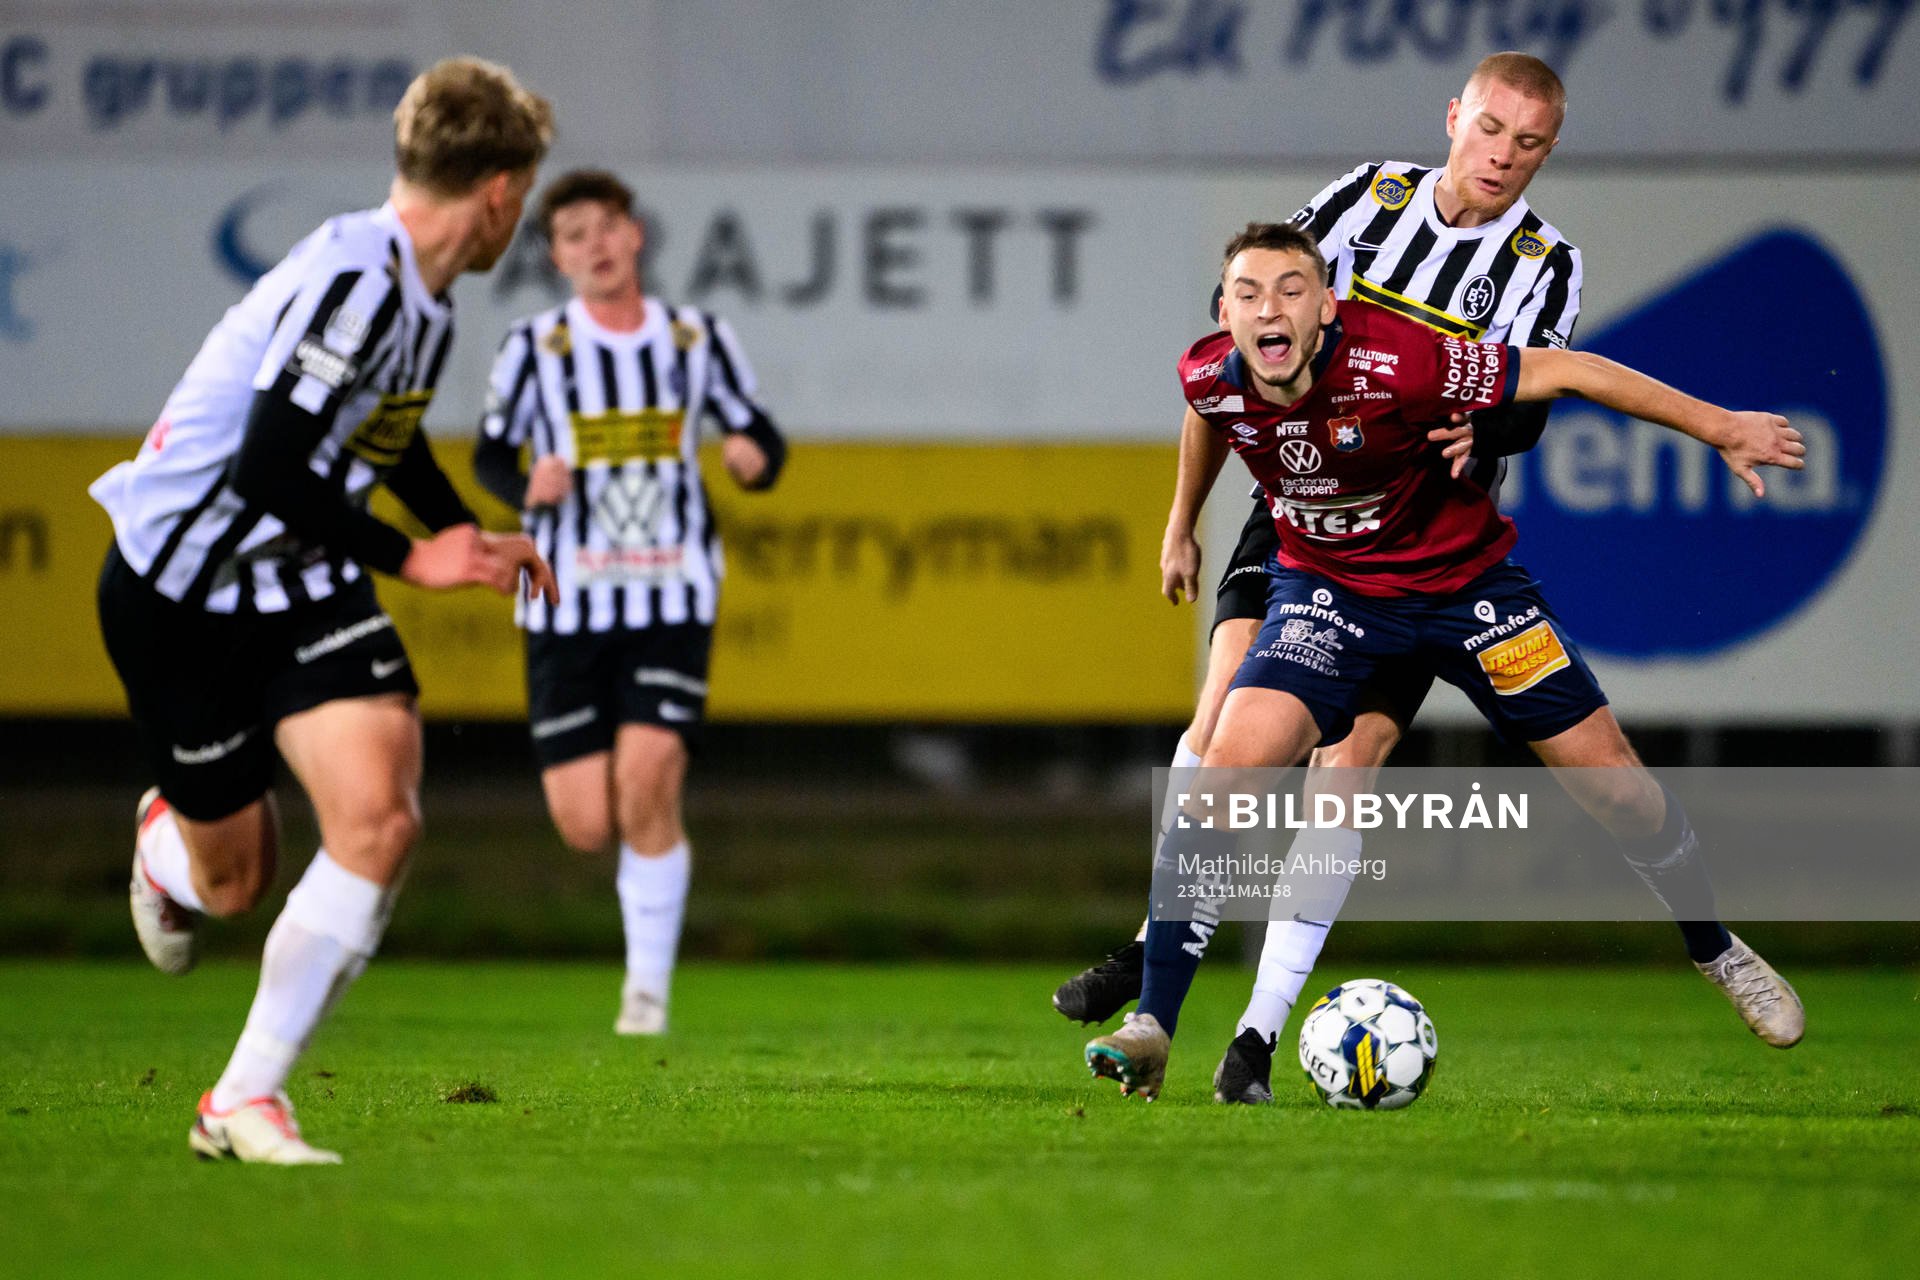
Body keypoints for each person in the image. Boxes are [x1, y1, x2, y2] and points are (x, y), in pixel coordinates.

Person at [1082, 222, 1806, 1100]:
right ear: (1225, 309)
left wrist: (1720, 425)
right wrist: (1180, 525)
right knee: (1229, 764)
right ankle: (1155, 1023)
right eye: (1248, 293)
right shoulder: (1206, 372)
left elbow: (1569, 370)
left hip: (1469, 593)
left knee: (1617, 787)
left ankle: (1715, 948)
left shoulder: (1406, 363)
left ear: (1326, 307)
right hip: (1331, 597)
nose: (1268, 308)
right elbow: (1210, 414)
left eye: (1290, 290)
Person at [1056, 51, 1585, 1082]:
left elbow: (1529, 399)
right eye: (1489, 130)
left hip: (1420, 538)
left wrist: (1485, 442)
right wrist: (1183, 518)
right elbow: (1244, 331)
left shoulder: (1548, 261)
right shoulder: (1362, 197)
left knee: (1346, 771)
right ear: (1453, 119)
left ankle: (1253, 1034)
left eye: (1526, 143)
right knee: (1217, 733)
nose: (1502, 157)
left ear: (1547, 153)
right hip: (1296, 505)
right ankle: (1159, 951)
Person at [91, 56, 557, 1163]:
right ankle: (166, 847)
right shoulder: (358, 279)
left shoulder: (425, 306)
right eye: (524, 193)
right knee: (234, 880)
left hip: (296, 579)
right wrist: (414, 558)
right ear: (498, 190)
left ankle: (242, 1099)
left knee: (381, 816)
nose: (520, 215)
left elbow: (378, 440)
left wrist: (455, 530)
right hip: (181, 591)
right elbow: (268, 466)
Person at [473, 169, 786, 1035]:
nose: (595, 247)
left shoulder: (697, 338)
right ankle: (642, 935)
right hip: (565, 602)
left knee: (647, 782)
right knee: (584, 823)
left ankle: (644, 992)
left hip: (670, 593)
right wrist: (523, 480)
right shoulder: (533, 345)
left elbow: (761, 434)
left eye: (606, 228)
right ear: (554, 256)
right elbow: (490, 457)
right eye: (574, 237)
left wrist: (753, 459)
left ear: (634, 235)